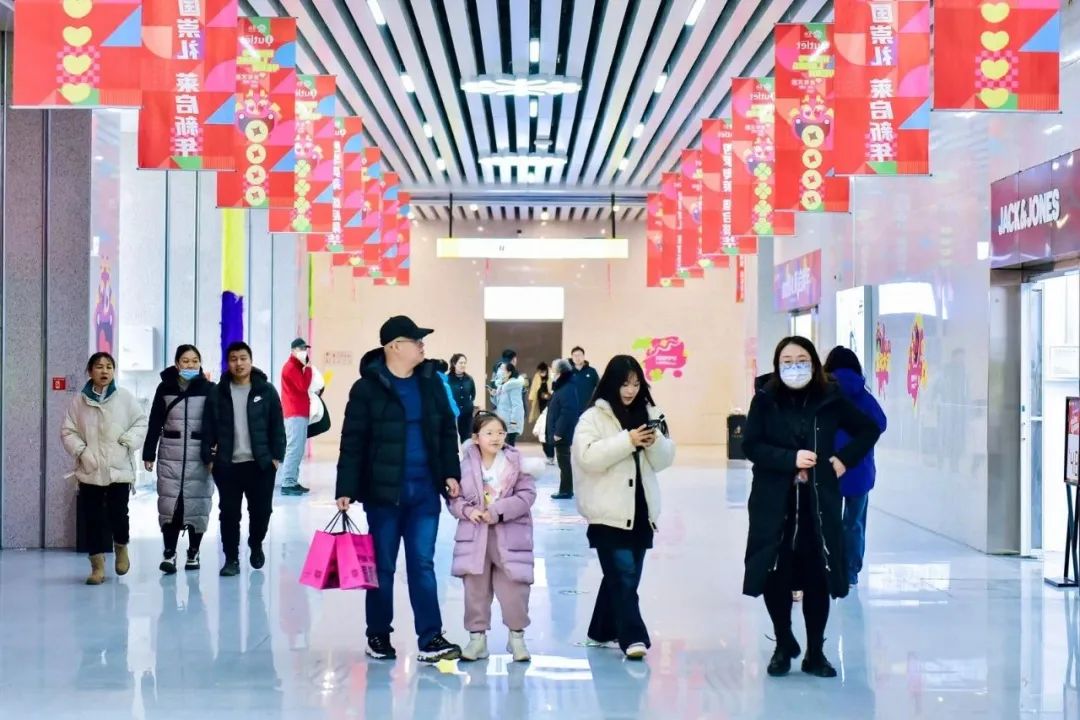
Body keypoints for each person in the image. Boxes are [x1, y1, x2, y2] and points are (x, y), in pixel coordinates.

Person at [742, 336, 881, 679]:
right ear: (777, 365)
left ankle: (815, 652)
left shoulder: (830, 398)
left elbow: (868, 428)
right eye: (787, 361)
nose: (795, 367)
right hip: (773, 502)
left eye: (801, 359)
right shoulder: (765, 399)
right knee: (775, 572)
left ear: (814, 363)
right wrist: (789, 459)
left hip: (818, 503)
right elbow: (751, 445)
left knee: (818, 574)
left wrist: (843, 460)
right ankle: (783, 643)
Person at [335, 315, 464, 663]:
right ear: (394, 346)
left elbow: (445, 431)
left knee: (422, 564)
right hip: (383, 493)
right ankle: (378, 634)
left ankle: (431, 637)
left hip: (424, 491)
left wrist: (450, 473)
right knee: (382, 566)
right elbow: (353, 441)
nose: (422, 346)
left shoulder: (431, 383)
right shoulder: (366, 388)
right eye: (415, 340)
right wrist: (346, 486)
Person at [572, 355, 675, 660]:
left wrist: (654, 442)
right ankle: (633, 637)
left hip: (641, 510)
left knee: (622, 577)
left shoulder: (651, 413)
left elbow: (664, 461)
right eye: (624, 384)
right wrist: (627, 441)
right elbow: (587, 458)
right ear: (611, 384)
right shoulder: (592, 418)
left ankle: (601, 630)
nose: (630, 390)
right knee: (624, 576)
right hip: (607, 511)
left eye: (635, 384)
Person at [448, 412, 540, 663]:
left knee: (515, 589)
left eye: (500, 432)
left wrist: (498, 511)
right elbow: (454, 498)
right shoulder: (464, 465)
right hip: (474, 537)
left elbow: (527, 496)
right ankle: (477, 640)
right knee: (475, 591)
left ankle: (517, 638)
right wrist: (468, 511)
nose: (496, 438)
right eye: (489, 433)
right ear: (476, 437)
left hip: (511, 537)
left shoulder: (517, 464)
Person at [61, 352, 148, 585]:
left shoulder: (125, 398)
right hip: (90, 469)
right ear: (90, 371)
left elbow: (141, 422)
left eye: (109, 366)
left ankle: (121, 548)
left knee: (119, 514)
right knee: (92, 518)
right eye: (99, 366)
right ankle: (97, 566)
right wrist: (82, 451)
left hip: (118, 468)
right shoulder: (78, 402)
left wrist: (129, 440)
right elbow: (68, 431)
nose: (105, 371)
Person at [202, 341, 286, 577]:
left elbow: (277, 427)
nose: (238, 363)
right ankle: (231, 559)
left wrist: (275, 458)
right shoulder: (218, 393)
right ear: (227, 363)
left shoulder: (266, 391)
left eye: (243, 358)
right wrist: (209, 459)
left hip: (260, 465)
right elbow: (207, 427)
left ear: (251, 360)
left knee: (262, 512)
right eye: (233, 359)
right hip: (227, 465)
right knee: (229, 514)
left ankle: (255, 543)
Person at [143, 344, 215, 574]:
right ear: (177, 364)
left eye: (195, 361)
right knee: (170, 505)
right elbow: (155, 421)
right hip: (170, 455)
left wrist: (215, 452)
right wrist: (149, 453)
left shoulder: (209, 389)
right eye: (185, 361)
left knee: (198, 505)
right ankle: (169, 553)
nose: (190, 365)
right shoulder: (165, 388)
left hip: (200, 456)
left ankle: (194, 551)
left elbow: (216, 423)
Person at [823, 346, 888, 587]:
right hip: (860, 470)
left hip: (830, 466)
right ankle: (850, 573)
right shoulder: (864, 396)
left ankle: (830, 568)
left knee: (827, 521)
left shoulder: (825, 394)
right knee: (855, 523)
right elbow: (881, 424)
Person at [279, 338, 313, 496]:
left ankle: (292, 480)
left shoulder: (297, 367)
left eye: (305, 349)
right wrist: (309, 369)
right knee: (294, 448)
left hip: (299, 412)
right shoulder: (291, 368)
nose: (304, 351)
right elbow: (303, 386)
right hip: (295, 413)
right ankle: (287, 483)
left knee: (298, 449)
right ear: (293, 351)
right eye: (300, 349)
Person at [547, 358, 583, 499]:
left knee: (564, 462)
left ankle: (566, 490)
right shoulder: (562, 386)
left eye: (554, 370)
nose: (552, 373)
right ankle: (565, 489)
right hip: (560, 431)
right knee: (563, 462)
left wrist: (558, 432)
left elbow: (568, 412)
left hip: (562, 432)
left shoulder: (567, 387)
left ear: (560, 372)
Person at [493, 362, 526, 446]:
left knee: (509, 447)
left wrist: (513, 422)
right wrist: (493, 395)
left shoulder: (513, 385)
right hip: (503, 421)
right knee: (503, 447)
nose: (500, 371)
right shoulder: (502, 385)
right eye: (499, 369)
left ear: (509, 373)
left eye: (502, 369)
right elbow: (499, 403)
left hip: (510, 423)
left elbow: (517, 405)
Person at [447, 353, 477, 444]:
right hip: (451, 413)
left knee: (466, 438)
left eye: (464, 363)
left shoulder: (469, 379)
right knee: (451, 437)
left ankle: (466, 453)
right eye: (460, 363)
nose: (463, 365)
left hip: (466, 413)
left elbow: (473, 394)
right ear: (454, 364)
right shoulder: (447, 379)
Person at [528, 362, 553, 457]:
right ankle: (548, 453)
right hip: (540, 405)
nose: (541, 374)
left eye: (542, 372)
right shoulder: (537, 376)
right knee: (542, 428)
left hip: (550, 406)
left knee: (548, 429)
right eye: (539, 372)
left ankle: (550, 453)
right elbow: (534, 388)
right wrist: (531, 398)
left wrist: (548, 396)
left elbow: (553, 390)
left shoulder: (552, 375)